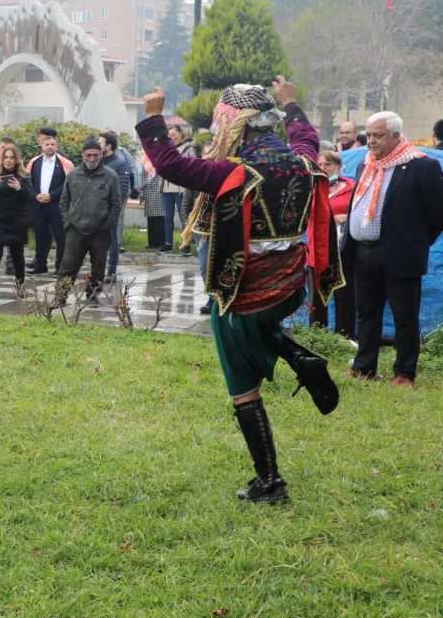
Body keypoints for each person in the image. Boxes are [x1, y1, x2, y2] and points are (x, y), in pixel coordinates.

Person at [140, 79, 341, 503]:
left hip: (243, 294)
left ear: (238, 126)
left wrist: (154, 117)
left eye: (220, 123)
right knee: (263, 328)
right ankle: (300, 358)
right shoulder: (303, 161)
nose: (216, 132)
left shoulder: (235, 172)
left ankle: (270, 483)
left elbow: (172, 167)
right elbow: (304, 134)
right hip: (289, 285)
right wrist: (291, 100)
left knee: (242, 389)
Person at [341, 111, 443, 387]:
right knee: (366, 314)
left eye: (378, 135)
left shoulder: (422, 166)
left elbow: (438, 213)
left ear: (397, 136)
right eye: (370, 135)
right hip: (363, 252)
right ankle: (364, 367)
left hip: (400, 254)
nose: (371, 141)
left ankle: (404, 373)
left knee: (404, 317)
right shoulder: (366, 164)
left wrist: (416, 241)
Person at [55, 137, 121, 297]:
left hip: (100, 230)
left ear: (100, 155)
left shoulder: (110, 176)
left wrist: (106, 226)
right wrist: (67, 223)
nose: (92, 158)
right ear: (83, 155)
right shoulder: (72, 175)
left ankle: (93, 294)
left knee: (98, 267)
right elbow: (64, 202)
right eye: (89, 155)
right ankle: (60, 296)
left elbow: (116, 204)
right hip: (75, 229)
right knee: (68, 265)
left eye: (95, 155)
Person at [308, 150, 355, 333]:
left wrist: (347, 216)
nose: (323, 168)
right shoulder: (312, 189)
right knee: (317, 298)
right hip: (318, 250)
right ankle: (317, 336)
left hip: (343, 250)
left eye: (327, 164)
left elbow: (362, 213)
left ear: (338, 167)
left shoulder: (351, 188)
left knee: (346, 297)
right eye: (320, 164)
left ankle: (345, 336)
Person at [0, 142, 33, 300]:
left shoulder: (24, 176)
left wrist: (19, 188)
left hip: (17, 222)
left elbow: (29, 198)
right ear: (2, 159)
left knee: (17, 257)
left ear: (17, 159)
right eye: (6, 157)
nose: (8, 160)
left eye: (11, 157)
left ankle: (20, 287)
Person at [26, 128, 72, 274]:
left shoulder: (65, 163)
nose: (50, 147)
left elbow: (68, 184)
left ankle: (60, 267)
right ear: (42, 146)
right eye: (47, 144)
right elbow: (28, 182)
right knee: (40, 236)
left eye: (52, 144)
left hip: (56, 205)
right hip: (38, 205)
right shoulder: (34, 162)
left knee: (60, 237)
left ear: (57, 147)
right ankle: (40, 265)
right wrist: (35, 195)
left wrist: (52, 195)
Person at [98, 131, 132, 282]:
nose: (97, 146)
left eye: (100, 143)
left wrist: (113, 209)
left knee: (113, 241)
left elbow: (123, 190)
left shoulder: (119, 163)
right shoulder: (97, 161)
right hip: (95, 211)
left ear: (109, 146)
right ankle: (97, 270)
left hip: (111, 210)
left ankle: (111, 271)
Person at [158, 125, 194, 252]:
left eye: (174, 135)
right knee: (167, 217)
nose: (172, 138)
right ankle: (168, 243)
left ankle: (187, 243)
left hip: (181, 188)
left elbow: (192, 166)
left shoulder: (189, 148)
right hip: (167, 187)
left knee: (183, 216)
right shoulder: (166, 149)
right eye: (170, 136)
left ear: (180, 133)